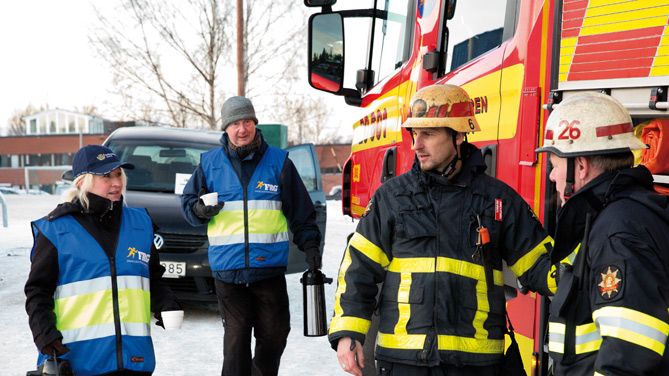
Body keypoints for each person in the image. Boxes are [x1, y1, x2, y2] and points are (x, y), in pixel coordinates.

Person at [329, 84, 556, 376]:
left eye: (429, 134)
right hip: (404, 362)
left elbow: (539, 264)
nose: (416, 145)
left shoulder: (498, 201)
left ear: (459, 135)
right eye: (414, 133)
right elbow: (359, 269)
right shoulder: (391, 198)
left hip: (475, 366)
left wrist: (586, 277)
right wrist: (348, 332)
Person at [181, 96, 322, 376]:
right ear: (226, 129)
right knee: (236, 341)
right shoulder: (209, 164)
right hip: (227, 271)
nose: (241, 129)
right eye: (234, 123)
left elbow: (302, 211)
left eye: (246, 121)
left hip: (267, 269)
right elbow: (188, 205)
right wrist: (200, 209)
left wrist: (311, 245)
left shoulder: (278, 162)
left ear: (255, 124)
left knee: (275, 334)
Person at [536, 92, 669, 375]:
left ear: (580, 166)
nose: (551, 177)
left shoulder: (617, 232)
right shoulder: (615, 215)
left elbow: (629, 357)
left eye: (554, 166)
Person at [25, 145, 180, 375]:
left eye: (118, 174)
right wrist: (44, 334)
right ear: (82, 182)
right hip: (78, 360)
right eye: (106, 176)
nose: (116, 182)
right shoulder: (55, 230)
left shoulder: (141, 223)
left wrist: (167, 302)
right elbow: (38, 291)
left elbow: (153, 277)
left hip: (134, 358)